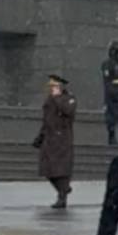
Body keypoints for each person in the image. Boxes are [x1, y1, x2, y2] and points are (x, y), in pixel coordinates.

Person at [33, 74, 77, 208]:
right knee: (47, 170)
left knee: (62, 171)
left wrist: (58, 98)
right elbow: (46, 120)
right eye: (50, 86)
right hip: (49, 138)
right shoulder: (49, 100)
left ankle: (62, 198)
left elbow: (68, 111)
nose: (51, 88)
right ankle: (64, 189)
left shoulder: (69, 98)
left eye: (54, 86)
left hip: (62, 139)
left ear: (60, 87)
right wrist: (40, 136)